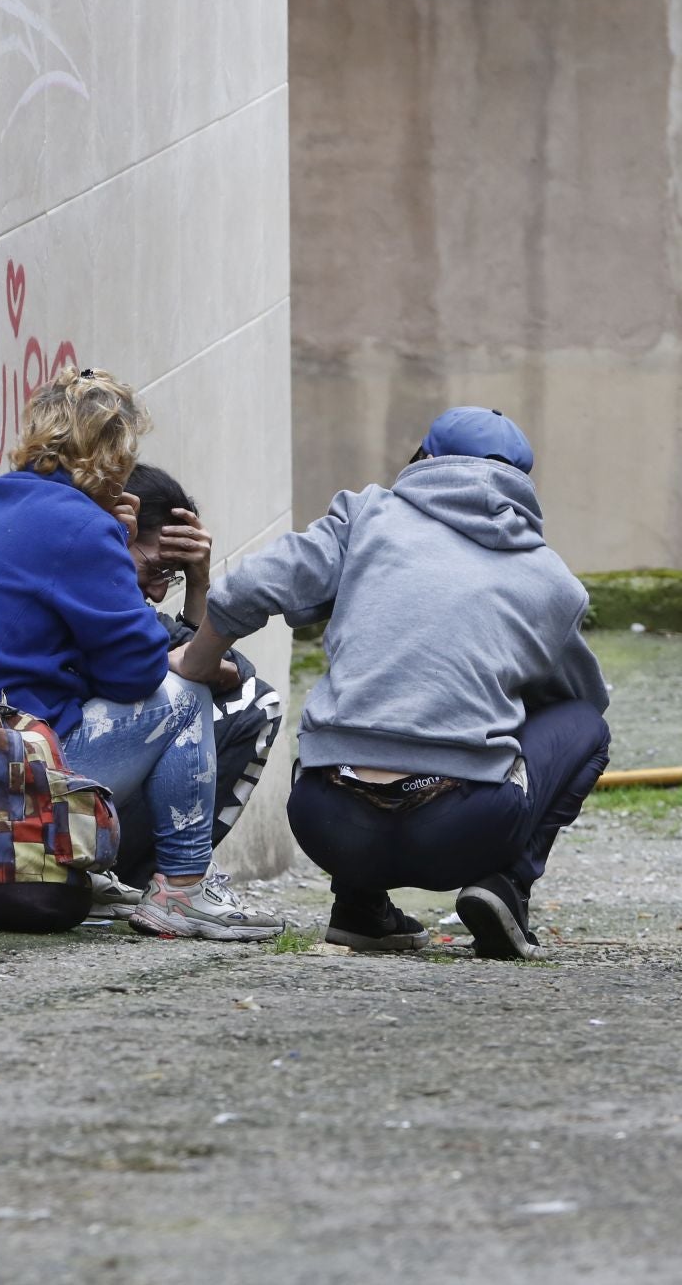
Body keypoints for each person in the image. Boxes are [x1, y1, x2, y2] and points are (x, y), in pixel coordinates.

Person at [173, 407, 610, 958]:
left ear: (423, 460)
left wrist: (195, 664)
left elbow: (255, 583)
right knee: (586, 726)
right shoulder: (551, 579)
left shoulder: (367, 516)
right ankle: (505, 886)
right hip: (464, 829)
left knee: (371, 713)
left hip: (326, 819)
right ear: (521, 486)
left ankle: (358, 907)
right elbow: (576, 703)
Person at [0, 367, 282, 941]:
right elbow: (139, 673)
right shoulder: (81, 527)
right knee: (181, 694)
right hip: (4, 777)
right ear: (115, 456)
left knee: (169, 686)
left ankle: (113, 876)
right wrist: (119, 556)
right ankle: (183, 887)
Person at [93, 463, 284, 892]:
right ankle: (174, 884)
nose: (160, 592)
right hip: (44, 799)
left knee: (218, 695)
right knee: (255, 706)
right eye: (156, 569)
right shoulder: (88, 593)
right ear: (116, 533)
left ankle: (157, 881)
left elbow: (221, 667)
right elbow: (212, 676)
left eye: (172, 577)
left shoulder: (123, 604)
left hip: (53, 791)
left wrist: (198, 585)